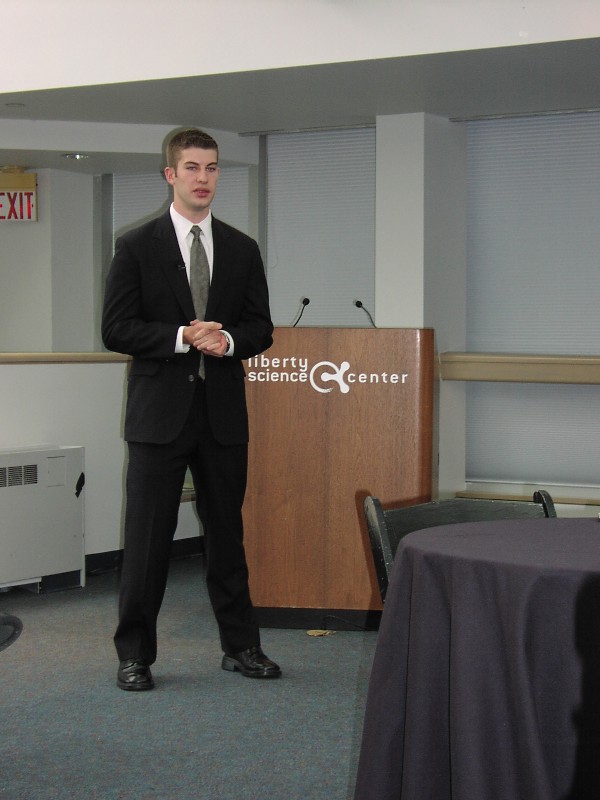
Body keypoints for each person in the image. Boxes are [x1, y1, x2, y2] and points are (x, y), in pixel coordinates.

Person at [102, 127, 280, 690]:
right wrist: (183, 337)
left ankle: (242, 647)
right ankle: (135, 656)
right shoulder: (136, 245)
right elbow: (116, 329)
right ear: (170, 174)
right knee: (148, 540)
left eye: (212, 168)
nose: (204, 178)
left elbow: (261, 328)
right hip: (159, 418)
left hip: (223, 417)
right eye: (193, 168)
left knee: (228, 535)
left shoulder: (242, 248)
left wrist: (227, 342)